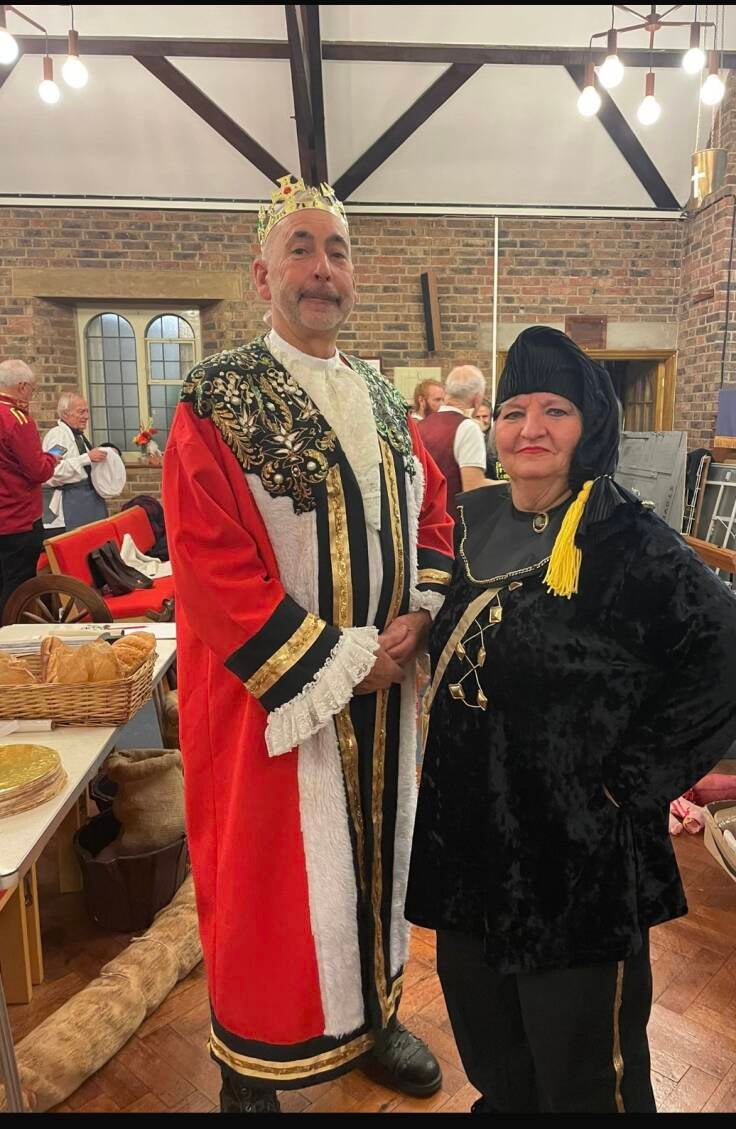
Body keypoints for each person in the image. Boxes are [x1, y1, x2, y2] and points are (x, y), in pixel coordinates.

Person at [405, 325, 736, 1114]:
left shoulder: (626, 535)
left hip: (574, 856)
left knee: (583, 1074)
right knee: (490, 1040)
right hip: (468, 837)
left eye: (555, 410)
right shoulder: (472, 520)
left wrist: (629, 779)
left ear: (590, 425)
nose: (530, 427)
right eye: (514, 411)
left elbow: (735, 656)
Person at [162, 175, 453, 1113]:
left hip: (385, 698)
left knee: (378, 866)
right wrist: (340, 662)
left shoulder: (382, 396)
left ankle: (374, 1020)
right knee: (264, 886)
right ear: (263, 276)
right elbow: (208, 563)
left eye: (337, 251)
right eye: (301, 249)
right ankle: (249, 1064)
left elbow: (433, 515)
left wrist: (420, 612)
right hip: (271, 704)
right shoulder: (216, 398)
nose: (322, 269)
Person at [0, 360, 59, 616]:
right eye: (33, 389)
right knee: (18, 589)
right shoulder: (16, 419)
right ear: (22, 386)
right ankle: (11, 635)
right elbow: (38, 471)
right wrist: (51, 459)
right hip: (18, 519)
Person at [417, 365, 487, 519]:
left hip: (421, 523)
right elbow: (473, 486)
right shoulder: (468, 428)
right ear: (477, 398)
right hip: (452, 525)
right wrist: (511, 486)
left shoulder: (419, 427)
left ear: (447, 393)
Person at [42, 391, 112, 531]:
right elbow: (52, 471)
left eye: (87, 411)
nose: (86, 416)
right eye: (81, 412)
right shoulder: (59, 436)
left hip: (90, 501)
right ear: (65, 414)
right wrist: (86, 458)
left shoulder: (79, 436)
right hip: (72, 502)